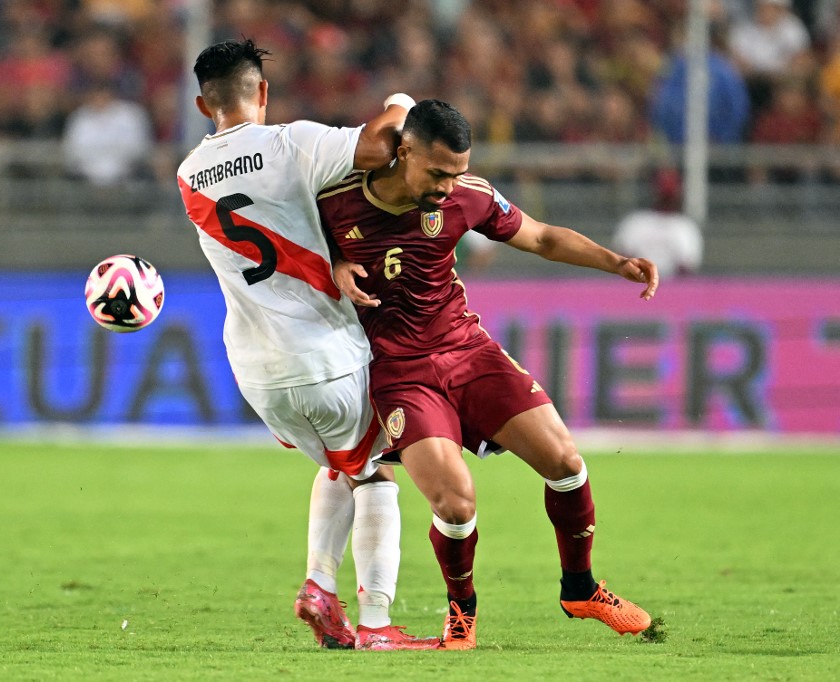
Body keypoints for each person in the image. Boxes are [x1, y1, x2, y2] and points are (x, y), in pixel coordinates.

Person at [318, 99, 658, 650]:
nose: (449, 186)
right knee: (455, 503)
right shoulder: (334, 201)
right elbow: (289, 251)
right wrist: (330, 264)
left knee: (566, 463)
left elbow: (542, 237)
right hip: (401, 372)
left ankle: (581, 587)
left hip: (469, 350)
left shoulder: (467, 195)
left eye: (457, 172)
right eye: (437, 173)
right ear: (404, 151)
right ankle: (462, 613)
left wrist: (616, 262)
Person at [175, 39, 438, 651]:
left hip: (256, 374)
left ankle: (321, 584)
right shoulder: (290, 143)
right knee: (374, 475)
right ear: (262, 92)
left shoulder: (189, 174)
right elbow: (383, 144)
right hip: (323, 354)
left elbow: (277, 224)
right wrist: (400, 103)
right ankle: (375, 623)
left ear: (201, 104)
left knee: (338, 466)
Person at [612, 169, 703, 280]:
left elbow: (687, 266)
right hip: (636, 285)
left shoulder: (685, 227)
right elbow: (621, 259)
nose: (666, 197)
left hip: (673, 289)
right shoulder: (635, 222)